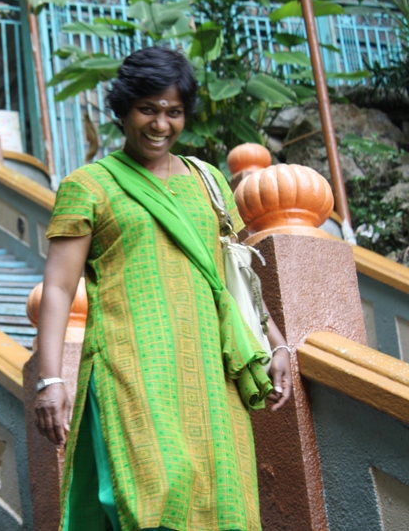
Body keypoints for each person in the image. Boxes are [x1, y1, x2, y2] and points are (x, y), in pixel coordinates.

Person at [33, 46, 293, 531]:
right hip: (131, 364)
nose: (160, 124)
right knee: (152, 494)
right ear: (122, 110)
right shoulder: (89, 185)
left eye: (173, 112)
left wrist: (275, 342)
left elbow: (235, 275)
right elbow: (58, 288)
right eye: (147, 109)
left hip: (211, 368)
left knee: (225, 502)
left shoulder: (208, 180)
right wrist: (50, 380)